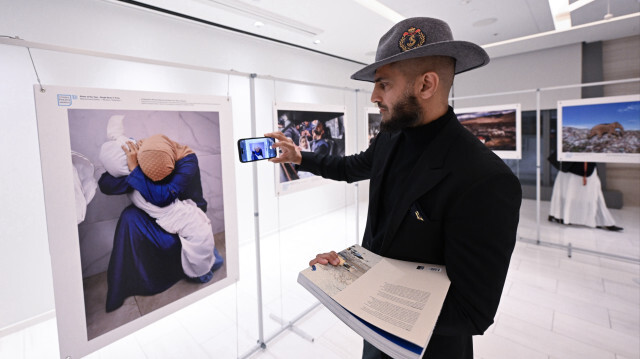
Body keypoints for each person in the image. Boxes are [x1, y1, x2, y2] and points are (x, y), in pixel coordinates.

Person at [266, 17, 521, 359]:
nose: (373, 96)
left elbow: (471, 310)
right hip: (375, 337)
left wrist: (365, 290)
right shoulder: (390, 137)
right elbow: (352, 167)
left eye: (383, 84)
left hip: (431, 349)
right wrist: (301, 158)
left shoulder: (485, 179)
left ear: (426, 85)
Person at [98, 134, 223, 312]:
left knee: (202, 248)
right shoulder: (147, 153)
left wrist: (136, 172)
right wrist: (134, 169)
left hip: (184, 217)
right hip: (159, 215)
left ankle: (201, 265)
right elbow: (106, 183)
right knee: (130, 216)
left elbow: (162, 196)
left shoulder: (186, 161)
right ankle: (127, 282)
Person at [547, 151, 622, 231]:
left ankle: (603, 221)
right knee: (565, 191)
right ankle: (558, 215)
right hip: (570, 163)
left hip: (584, 164)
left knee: (594, 194)